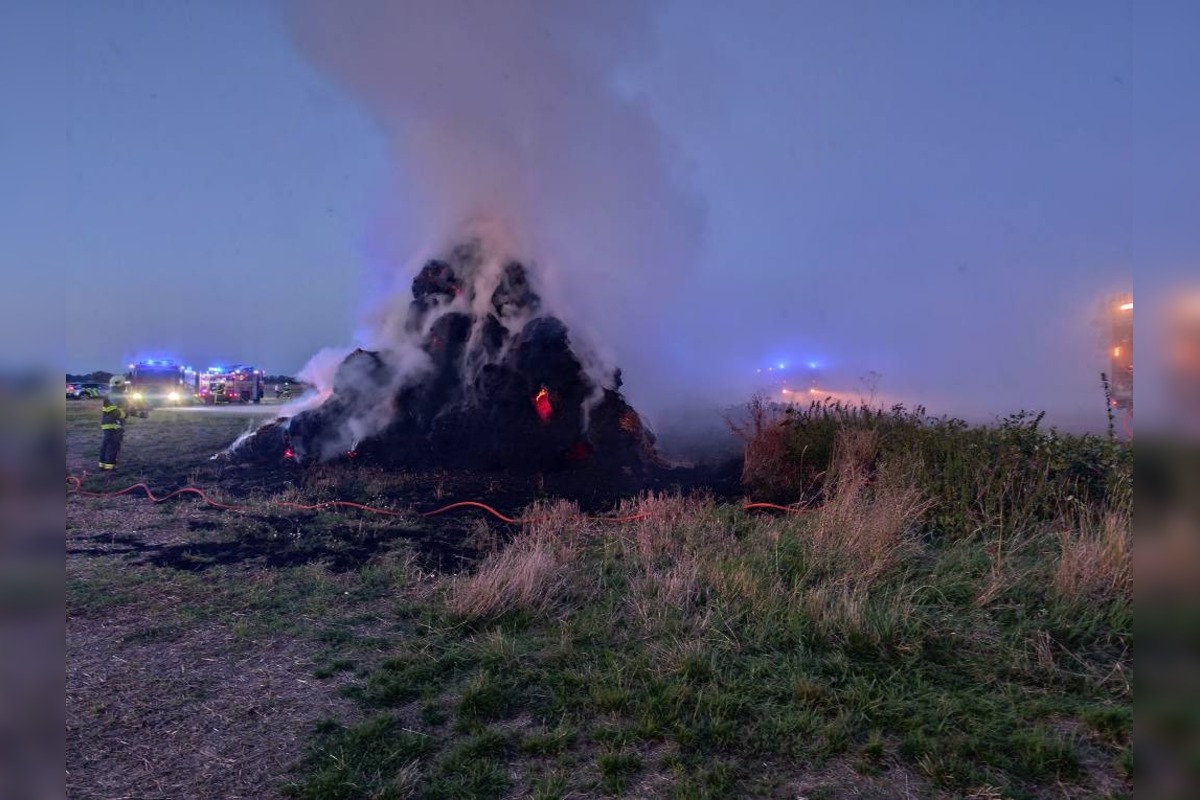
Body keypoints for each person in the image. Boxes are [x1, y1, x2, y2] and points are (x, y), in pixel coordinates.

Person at [98, 376, 130, 470]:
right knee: (113, 445)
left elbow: (129, 409)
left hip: (112, 424)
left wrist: (140, 414)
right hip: (113, 424)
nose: (125, 386)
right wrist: (124, 415)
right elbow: (112, 410)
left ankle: (103, 465)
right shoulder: (113, 396)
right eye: (124, 384)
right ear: (119, 384)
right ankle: (109, 468)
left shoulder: (118, 395)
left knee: (107, 444)